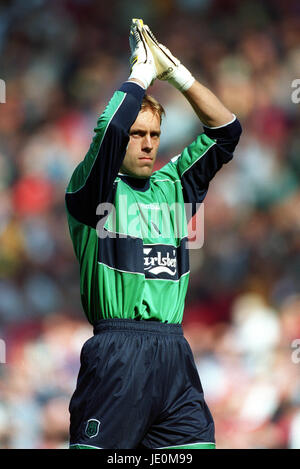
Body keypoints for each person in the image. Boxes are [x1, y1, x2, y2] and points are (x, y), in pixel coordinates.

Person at [65, 19, 242, 449]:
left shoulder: (175, 186)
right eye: (137, 134)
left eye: (154, 136)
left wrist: (174, 72)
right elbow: (108, 133)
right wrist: (140, 73)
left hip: (174, 354)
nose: (147, 144)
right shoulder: (93, 190)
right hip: (117, 354)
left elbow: (226, 131)